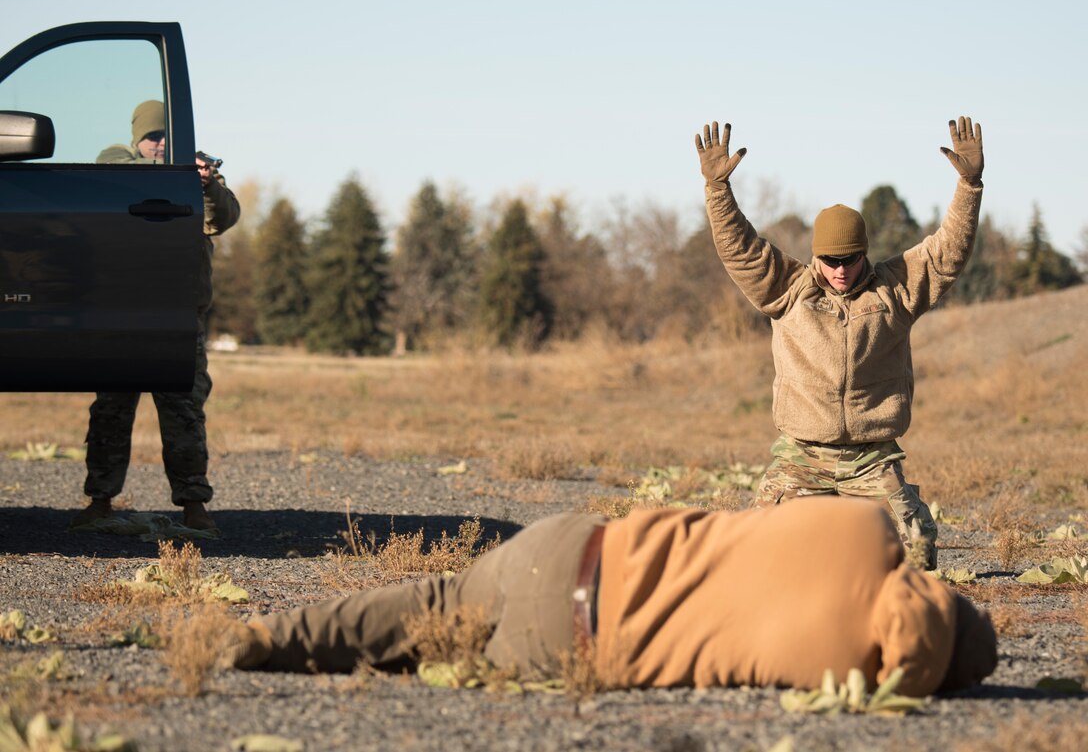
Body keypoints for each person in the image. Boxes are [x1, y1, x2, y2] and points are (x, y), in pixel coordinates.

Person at [225, 498, 997, 698]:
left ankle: (269, 633)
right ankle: (293, 649)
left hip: (576, 546)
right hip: (570, 646)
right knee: (427, 638)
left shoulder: (863, 525)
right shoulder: (852, 673)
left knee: (434, 594)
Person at [693, 117, 985, 570]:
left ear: (863, 253)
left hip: (871, 459)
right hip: (802, 457)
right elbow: (740, 249)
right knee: (752, 559)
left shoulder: (896, 289)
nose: (840, 270)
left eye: (849, 259)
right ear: (816, 257)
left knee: (916, 557)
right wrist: (717, 192)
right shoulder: (789, 289)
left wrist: (969, 185)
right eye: (830, 260)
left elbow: (948, 252)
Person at [70, 100, 240, 533]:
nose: (160, 144)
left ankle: (194, 505)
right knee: (111, 411)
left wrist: (203, 184)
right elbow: (110, 168)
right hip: (121, 314)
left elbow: (222, 218)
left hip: (177, 314)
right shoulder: (117, 163)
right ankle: (100, 500)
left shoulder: (194, 175)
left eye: (166, 136)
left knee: (184, 415)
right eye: (152, 137)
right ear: (136, 138)